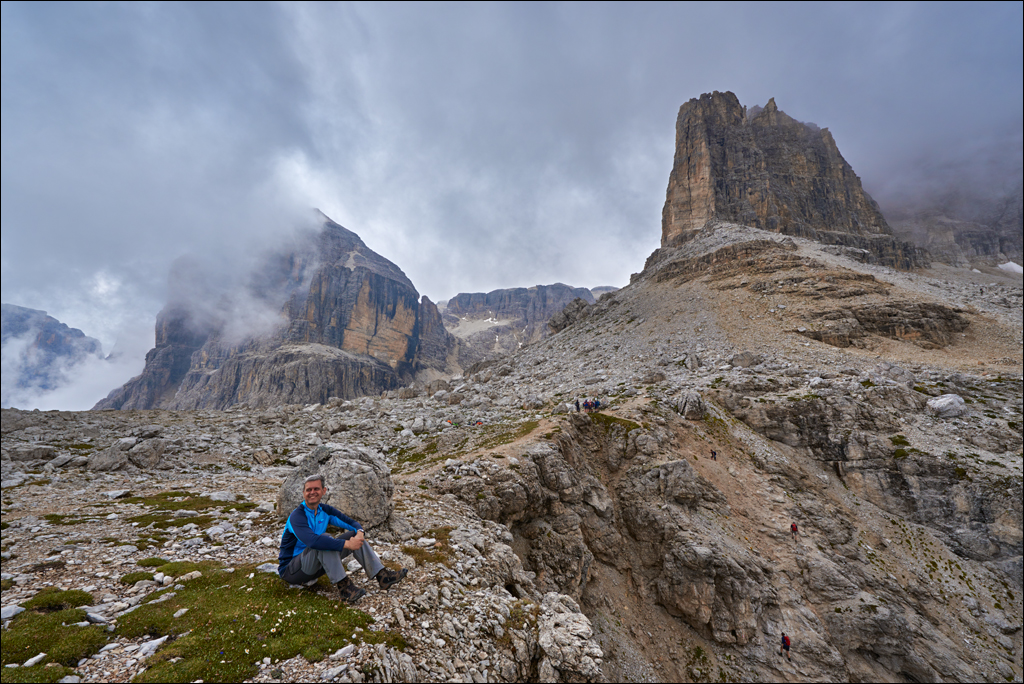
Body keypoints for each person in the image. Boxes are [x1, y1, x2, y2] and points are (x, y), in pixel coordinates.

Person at [278, 474, 407, 604]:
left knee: (352, 535)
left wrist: (360, 533)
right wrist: (346, 544)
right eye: (308, 490)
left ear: (324, 491)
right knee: (323, 539)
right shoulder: (297, 516)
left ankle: (383, 577)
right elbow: (313, 541)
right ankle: (344, 587)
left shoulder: (325, 510)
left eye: (316, 489)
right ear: (303, 493)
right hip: (292, 571)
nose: (312, 492)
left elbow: (351, 523)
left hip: (315, 565)